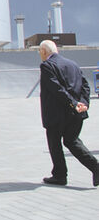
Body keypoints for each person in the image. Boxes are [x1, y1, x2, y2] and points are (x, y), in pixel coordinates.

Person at [37, 40, 98, 187]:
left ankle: (59, 176)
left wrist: (74, 103)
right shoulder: (72, 64)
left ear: (44, 51)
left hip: (56, 114)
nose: (39, 54)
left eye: (39, 51)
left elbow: (56, 88)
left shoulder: (47, 66)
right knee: (72, 141)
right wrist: (83, 103)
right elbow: (85, 85)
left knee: (55, 143)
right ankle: (96, 167)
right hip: (75, 113)